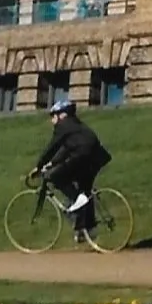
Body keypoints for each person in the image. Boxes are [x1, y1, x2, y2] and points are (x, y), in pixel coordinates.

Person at [31, 98, 111, 241]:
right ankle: (87, 229)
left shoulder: (63, 125)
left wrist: (38, 166)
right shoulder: (76, 125)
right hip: (97, 157)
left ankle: (79, 205)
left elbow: (52, 147)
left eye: (53, 116)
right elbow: (67, 148)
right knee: (84, 192)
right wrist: (51, 163)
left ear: (62, 115)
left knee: (55, 177)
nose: (52, 121)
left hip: (83, 155)